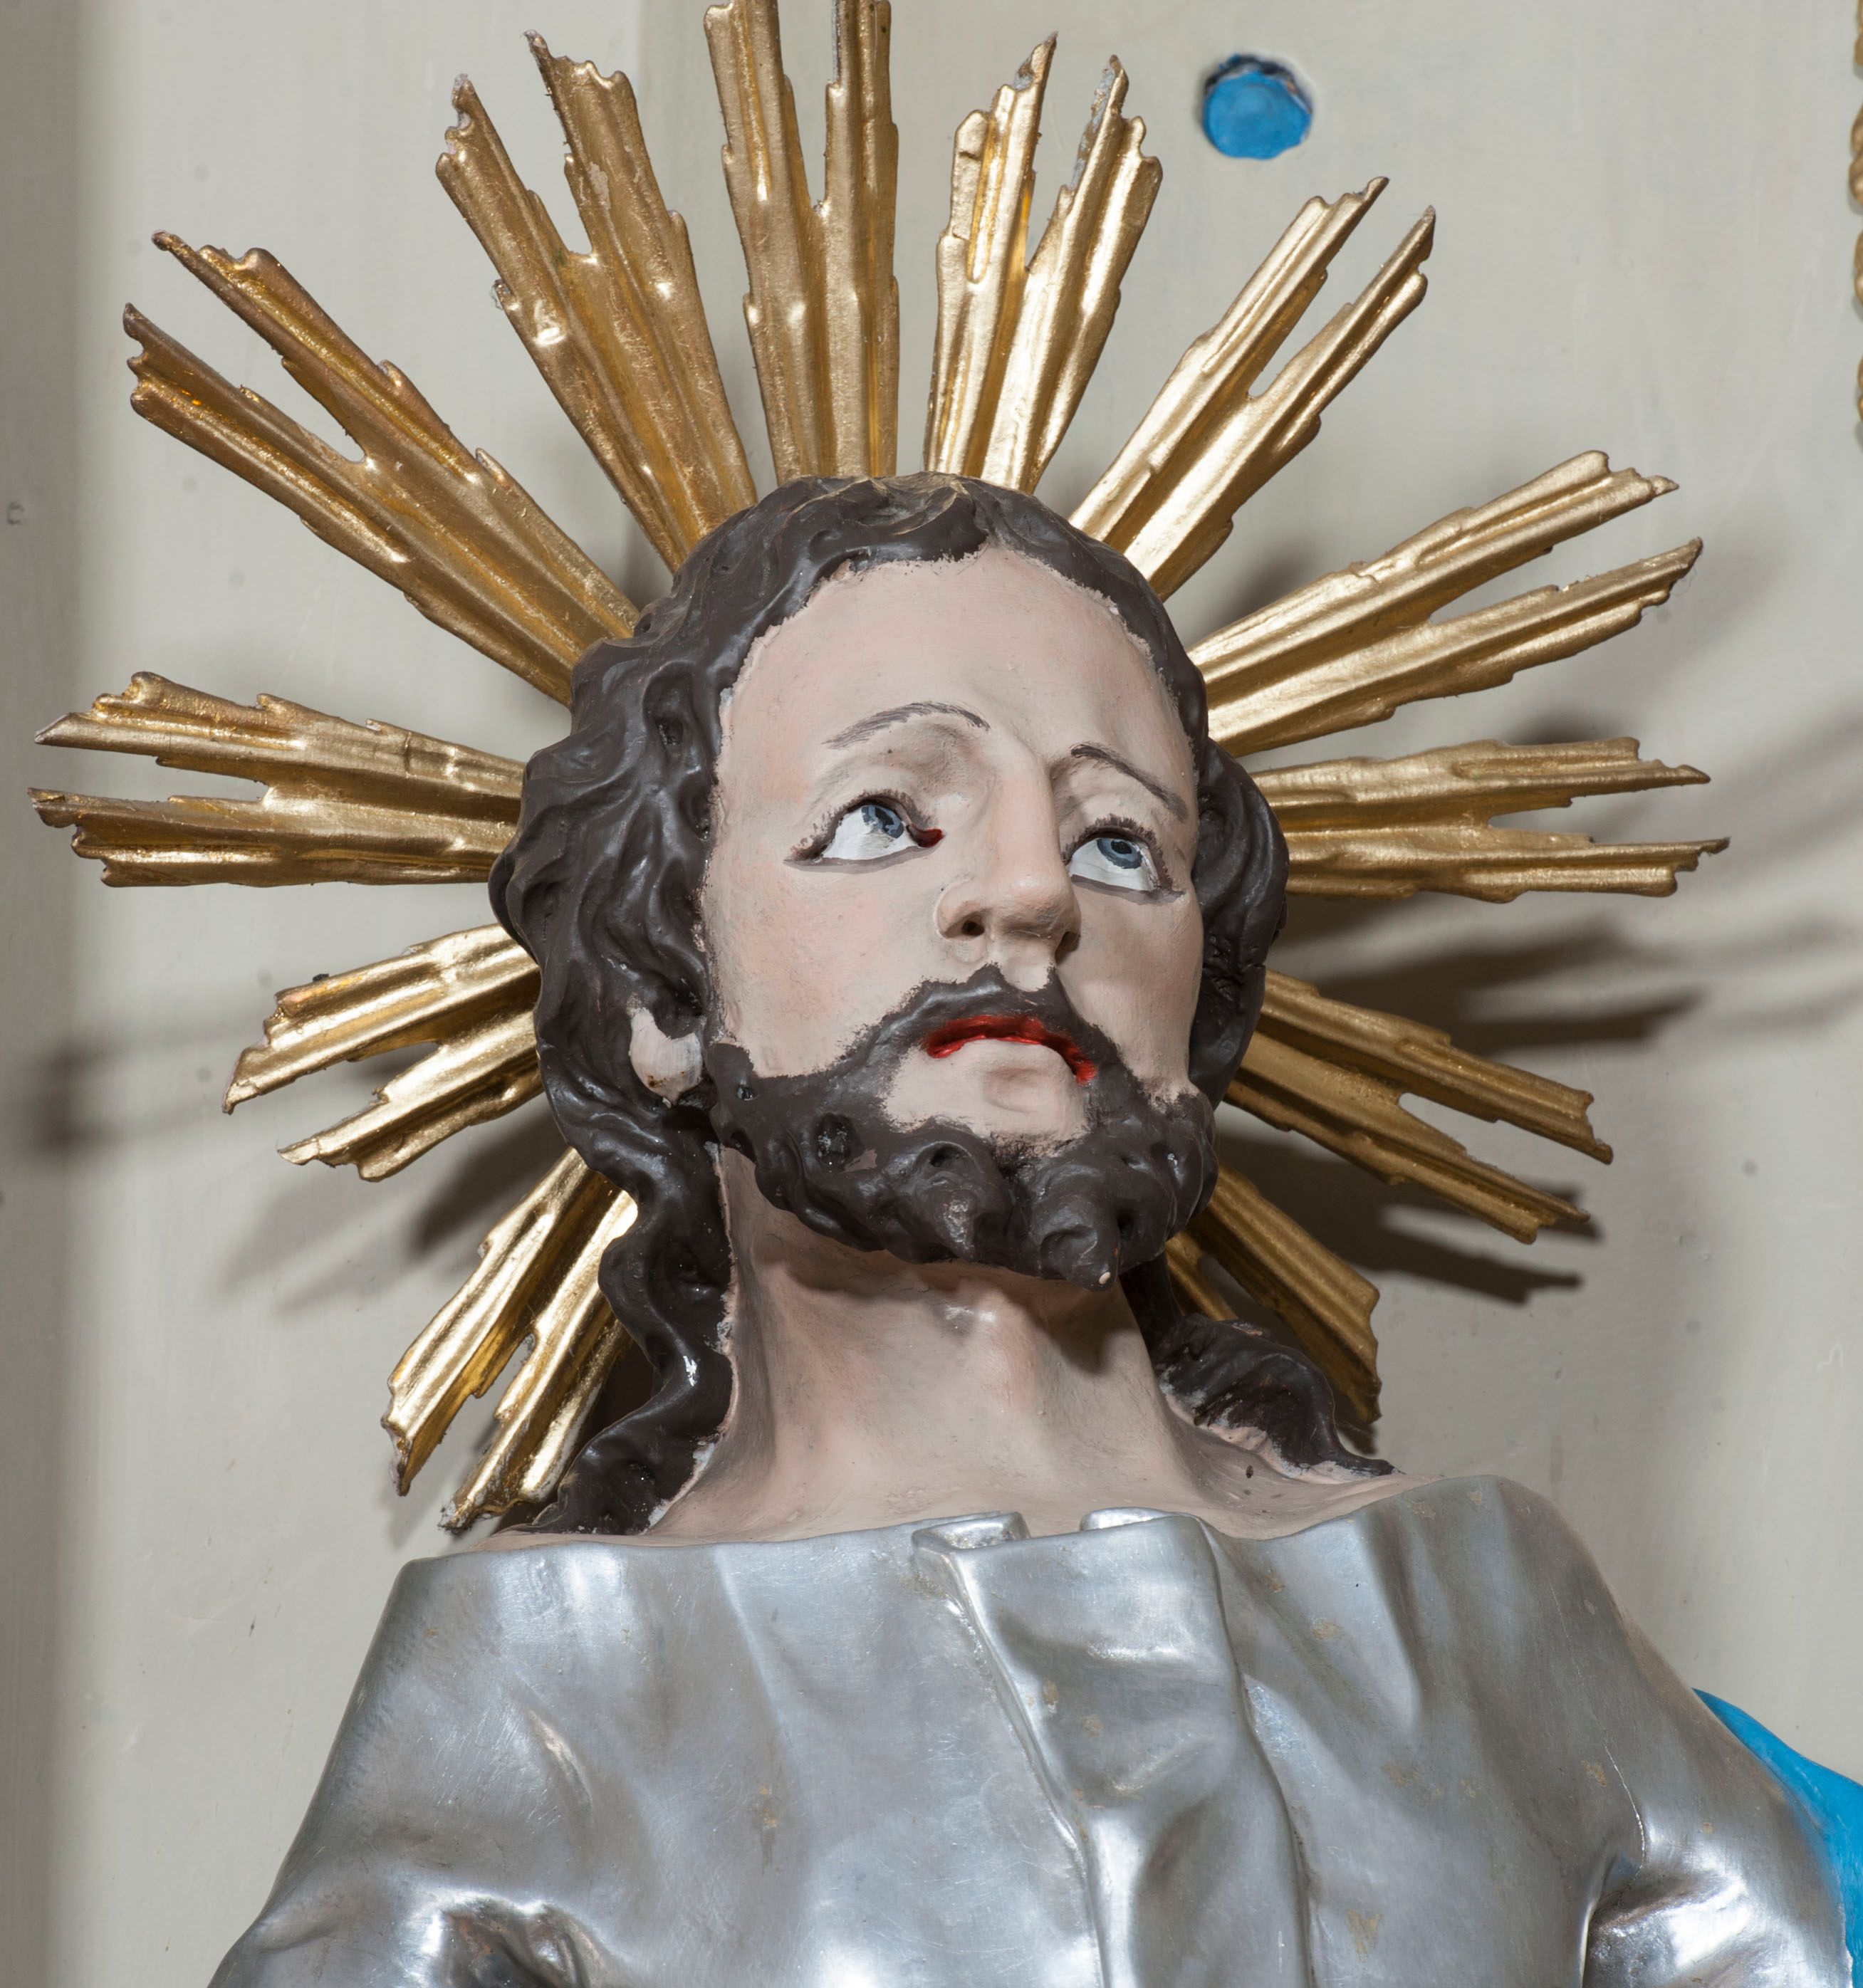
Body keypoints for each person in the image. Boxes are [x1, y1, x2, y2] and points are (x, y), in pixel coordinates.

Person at [212, 475, 1848, 1987]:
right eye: (886, 815)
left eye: (1118, 841)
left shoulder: (1483, 1602)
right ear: (662, 986)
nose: (1031, 893)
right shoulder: (537, 1682)